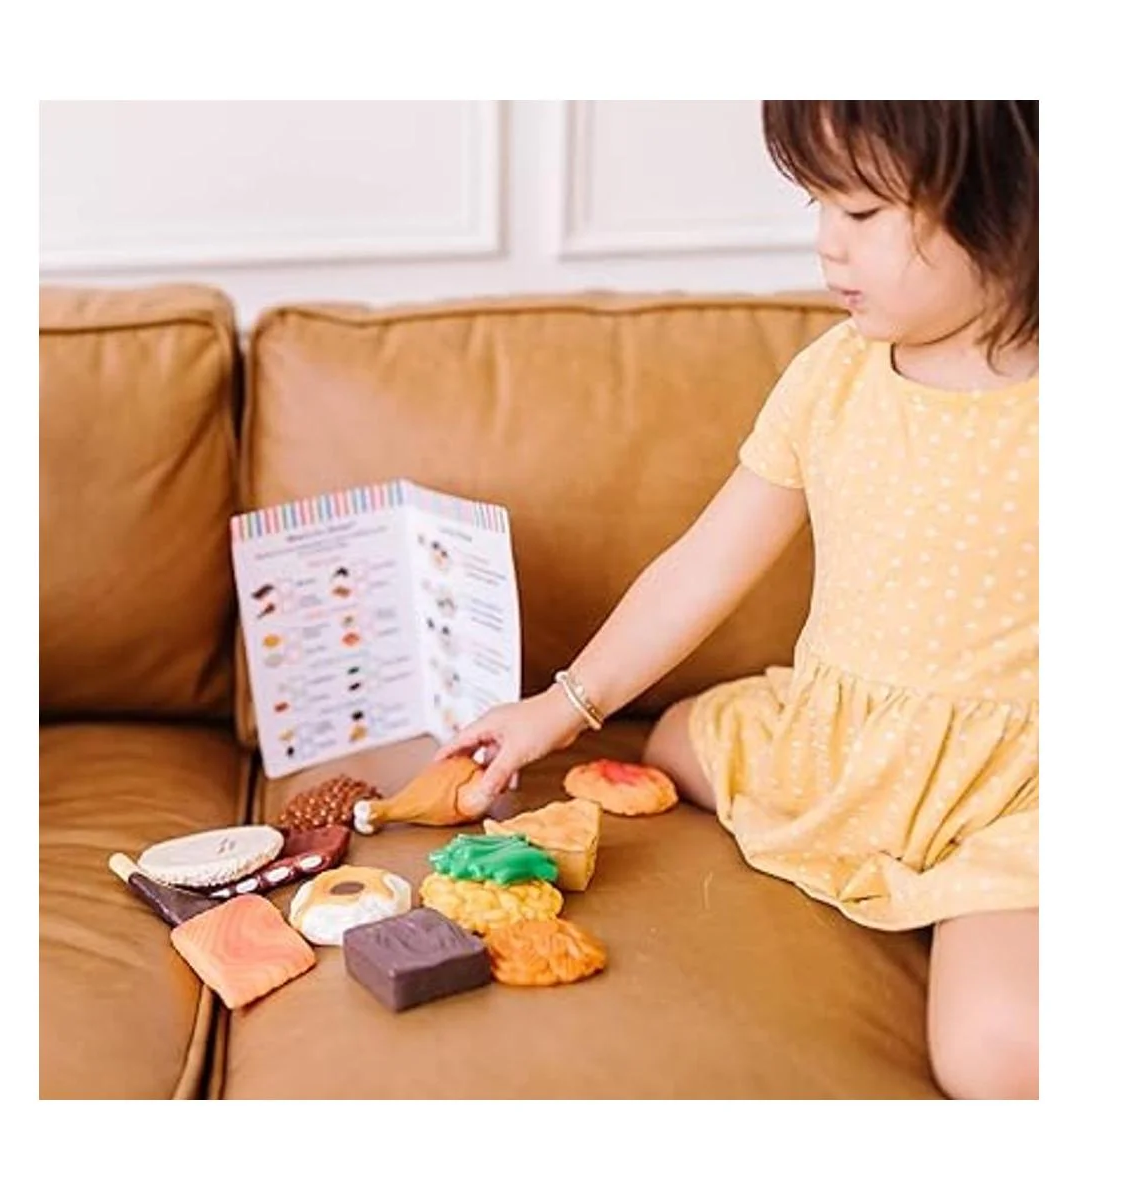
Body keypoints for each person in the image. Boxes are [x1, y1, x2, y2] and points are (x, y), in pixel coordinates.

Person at [435, 101, 1039, 1100]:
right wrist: (561, 707)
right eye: (818, 206)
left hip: (1019, 793)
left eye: (862, 212)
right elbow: (702, 565)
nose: (827, 245)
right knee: (675, 736)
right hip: (837, 751)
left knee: (999, 1053)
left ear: (1011, 202)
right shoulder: (831, 377)